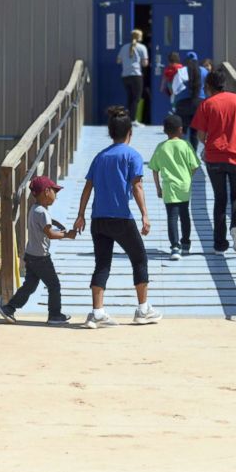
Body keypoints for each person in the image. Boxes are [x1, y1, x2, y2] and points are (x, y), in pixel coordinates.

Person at [74, 106, 162, 328]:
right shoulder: (132, 155)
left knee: (102, 264)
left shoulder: (100, 156)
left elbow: (88, 187)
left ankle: (97, 313)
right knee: (139, 258)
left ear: (111, 133)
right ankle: (143, 310)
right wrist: (145, 215)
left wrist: (80, 215)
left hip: (98, 219)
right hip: (121, 217)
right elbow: (138, 186)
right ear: (129, 132)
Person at [191, 69, 236, 254]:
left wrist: (207, 144)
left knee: (219, 199)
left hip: (214, 157)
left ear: (209, 86)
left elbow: (200, 135)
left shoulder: (207, 104)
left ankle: (219, 244)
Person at [0, 176, 77, 325]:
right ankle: (55, 315)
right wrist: (68, 235)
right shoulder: (43, 212)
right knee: (54, 285)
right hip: (41, 258)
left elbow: (46, 224)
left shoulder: (35, 209)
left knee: (30, 286)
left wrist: (56, 223)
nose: (56, 196)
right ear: (46, 192)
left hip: (31, 255)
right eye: (55, 192)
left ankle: (9, 308)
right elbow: (51, 234)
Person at [149, 114, 200, 261]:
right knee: (185, 215)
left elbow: (154, 169)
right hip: (185, 185)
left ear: (165, 130)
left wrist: (158, 188)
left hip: (169, 187)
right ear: (181, 130)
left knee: (172, 217)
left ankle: (175, 247)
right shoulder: (186, 145)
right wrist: (188, 176)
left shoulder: (161, 147)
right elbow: (195, 165)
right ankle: (186, 243)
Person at [170, 52, 208, 150]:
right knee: (195, 132)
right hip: (199, 103)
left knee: (182, 131)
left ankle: (182, 154)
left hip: (182, 103)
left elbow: (175, 89)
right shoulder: (203, 71)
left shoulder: (181, 71)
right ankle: (193, 155)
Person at [116, 30, 149, 126]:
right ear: (140, 37)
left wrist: (127, 62)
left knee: (129, 98)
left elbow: (118, 61)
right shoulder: (142, 47)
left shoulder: (124, 47)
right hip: (136, 75)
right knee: (136, 99)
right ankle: (133, 120)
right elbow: (145, 63)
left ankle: (128, 119)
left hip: (125, 76)